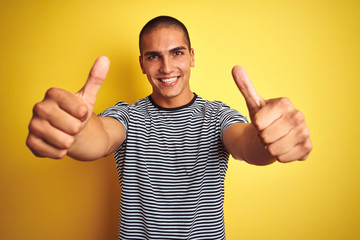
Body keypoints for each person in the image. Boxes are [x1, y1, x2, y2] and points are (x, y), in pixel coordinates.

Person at [26, 16, 312, 239]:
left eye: (176, 53)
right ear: (142, 63)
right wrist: (73, 132)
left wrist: (269, 141)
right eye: (153, 56)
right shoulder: (127, 116)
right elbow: (97, 138)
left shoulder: (217, 116)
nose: (166, 67)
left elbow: (247, 144)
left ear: (192, 57)